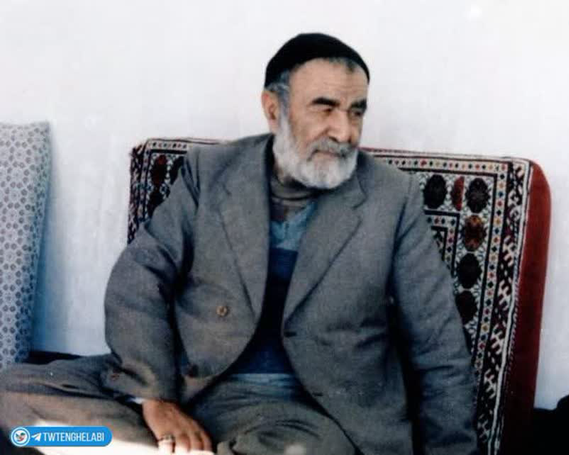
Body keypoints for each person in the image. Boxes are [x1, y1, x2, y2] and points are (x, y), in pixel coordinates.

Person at [0, 33, 479, 455]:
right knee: (12, 395)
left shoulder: (391, 198)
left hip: (303, 417)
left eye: (357, 111)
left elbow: (437, 345)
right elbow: (139, 278)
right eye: (325, 108)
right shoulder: (210, 173)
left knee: (308, 451)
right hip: (187, 386)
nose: (345, 131)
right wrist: (156, 398)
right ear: (273, 109)